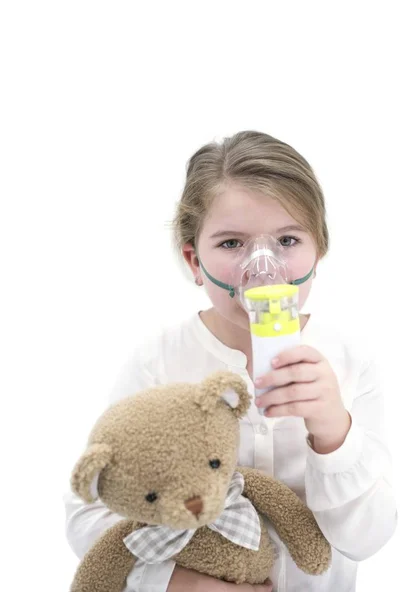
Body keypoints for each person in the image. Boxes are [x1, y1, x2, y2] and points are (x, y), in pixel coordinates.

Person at [64, 131, 397, 592]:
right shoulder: (157, 363)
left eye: (287, 238)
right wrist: (179, 583)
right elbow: (91, 514)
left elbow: (368, 539)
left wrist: (334, 433)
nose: (263, 266)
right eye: (230, 244)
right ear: (193, 260)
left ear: (317, 251)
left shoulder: (350, 362)